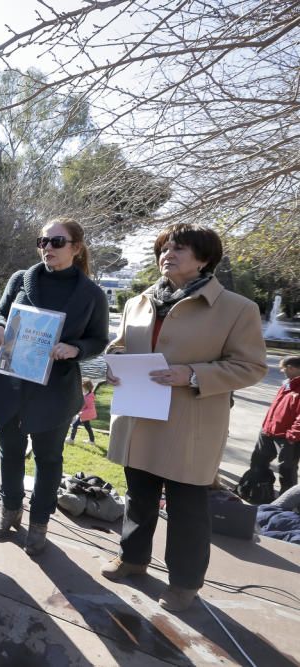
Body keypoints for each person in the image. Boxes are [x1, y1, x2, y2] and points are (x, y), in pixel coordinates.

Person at [100, 223, 266, 612]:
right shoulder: (139, 301)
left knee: (187, 509)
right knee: (138, 497)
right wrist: (114, 363)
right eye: (164, 247)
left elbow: (251, 366)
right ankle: (133, 558)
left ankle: (184, 583)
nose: (168, 254)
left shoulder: (237, 309)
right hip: (140, 416)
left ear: (205, 259)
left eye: (180, 249)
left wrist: (192, 374)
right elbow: (122, 345)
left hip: (189, 425)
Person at [0, 218, 109, 556]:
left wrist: (76, 349)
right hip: (11, 384)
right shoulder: (21, 279)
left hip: (54, 390)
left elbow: (98, 339)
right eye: (42, 242)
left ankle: (39, 523)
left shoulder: (91, 294)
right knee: (9, 452)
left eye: (56, 242)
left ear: (76, 248)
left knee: (48, 459)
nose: (47, 248)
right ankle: (10, 511)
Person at [245, 356, 300, 495]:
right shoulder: (287, 384)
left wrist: (292, 436)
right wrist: (266, 427)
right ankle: (256, 491)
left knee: (286, 470)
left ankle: (287, 501)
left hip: (287, 437)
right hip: (268, 431)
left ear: (291, 368)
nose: (282, 372)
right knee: (258, 461)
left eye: (284, 369)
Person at [68, 379, 98, 444]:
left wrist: (81, 413)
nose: (81, 388)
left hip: (85, 414)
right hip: (85, 414)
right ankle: (92, 440)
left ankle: (71, 439)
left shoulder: (89, 397)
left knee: (74, 425)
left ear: (86, 387)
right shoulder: (87, 394)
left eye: (82, 387)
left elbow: (90, 408)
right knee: (87, 427)